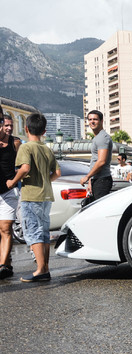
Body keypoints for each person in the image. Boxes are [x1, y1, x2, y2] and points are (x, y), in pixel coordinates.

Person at [6, 113, 60, 282]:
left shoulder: (26, 147)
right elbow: (57, 173)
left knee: (33, 232)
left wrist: (13, 181)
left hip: (31, 195)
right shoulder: (47, 149)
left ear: (26, 128)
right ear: (44, 131)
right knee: (43, 233)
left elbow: (25, 168)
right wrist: (45, 180)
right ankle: (45, 269)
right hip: (46, 196)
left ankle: (40, 270)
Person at [0, 111, 20, 278]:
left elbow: (22, 165)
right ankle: (7, 263)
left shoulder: (15, 143)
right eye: (4, 125)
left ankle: (2, 266)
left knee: (6, 228)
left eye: (9, 125)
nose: (7, 128)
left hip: (8, 192)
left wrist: (14, 180)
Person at [81, 110, 113, 203]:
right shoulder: (97, 137)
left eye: (95, 119)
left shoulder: (102, 138)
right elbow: (95, 161)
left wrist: (87, 177)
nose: (92, 122)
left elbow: (101, 161)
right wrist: (91, 181)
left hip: (102, 180)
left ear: (101, 121)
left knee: (101, 210)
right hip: (97, 180)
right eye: (90, 119)